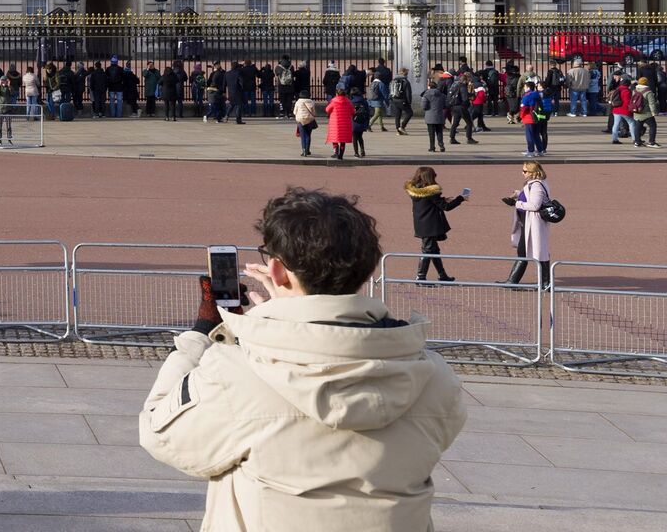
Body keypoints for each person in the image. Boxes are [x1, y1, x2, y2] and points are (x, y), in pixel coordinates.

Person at [139, 187, 465, 531]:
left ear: (277, 271)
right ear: (366, 269)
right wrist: (278, 326)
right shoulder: (433, 375)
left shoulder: (238, 370)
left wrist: (211, 332)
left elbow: (160, 433)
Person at [406, 167, 466, 282]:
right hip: (430, 225)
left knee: (434, 250)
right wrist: (460, 198)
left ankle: (442, 275)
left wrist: (443, 199)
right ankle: (420, 277)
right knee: (427, 250)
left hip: (421, 223)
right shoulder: (431, 192)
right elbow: (446, 207)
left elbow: (429, 202)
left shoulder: (416, 190)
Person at [503, 161, 553, 287]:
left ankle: (546, 283)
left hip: (534, 223)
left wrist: (516, 203)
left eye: (525, 171)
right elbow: (530, 196)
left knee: (539, 252)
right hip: (527, 222)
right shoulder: (534, 184)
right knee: (523, 251)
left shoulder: (536, 185)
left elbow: (535, 205)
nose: (522, 173)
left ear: (533, 173)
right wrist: (518, 194)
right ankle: (513, 281)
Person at [325, 84, 353, 160]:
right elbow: (353, 111)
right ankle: (341, 155)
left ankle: (336, 153)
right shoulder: (348, 102)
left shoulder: (333, 101)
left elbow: (327, 110)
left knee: (335, 138)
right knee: (343, 140)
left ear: (337, 94)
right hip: (345, 124)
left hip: (335, 123)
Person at [422, 77, 448, 152]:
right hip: (440, 115)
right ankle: (441, 145)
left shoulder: (426, 95)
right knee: (439, 132)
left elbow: (424, 106)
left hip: (430, 116)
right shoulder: (443, 95)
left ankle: (432, 147)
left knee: (431, 133)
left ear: (429, 87)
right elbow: (445, 105)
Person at [633, 76, 659, 148]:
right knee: (653, 126)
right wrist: (654, 112)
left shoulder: (634, 90)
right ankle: (651, 142)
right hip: (647, 113)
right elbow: (651, 103)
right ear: (646, 83)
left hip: (637, 112)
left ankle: (637, 142)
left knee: (638, 127)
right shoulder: (648, 92)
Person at [292, 92, 318, 157]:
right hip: (310, 120)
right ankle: (307, 150)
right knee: (308, 135)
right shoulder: (311, 102)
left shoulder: (298, 102)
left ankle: (303, 151)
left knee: (303, 136)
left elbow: (294, 112)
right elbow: (314, 113)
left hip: (301, 120)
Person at [391, 68, 414, 135]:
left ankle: (398, 130)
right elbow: (408, 93)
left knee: (397, 115)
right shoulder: (406, 82)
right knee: (410, 113)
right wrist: (409, 102)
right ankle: (402, 126)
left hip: (395, 99)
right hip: (402, 100)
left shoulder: (394, 80)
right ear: (406, 74)